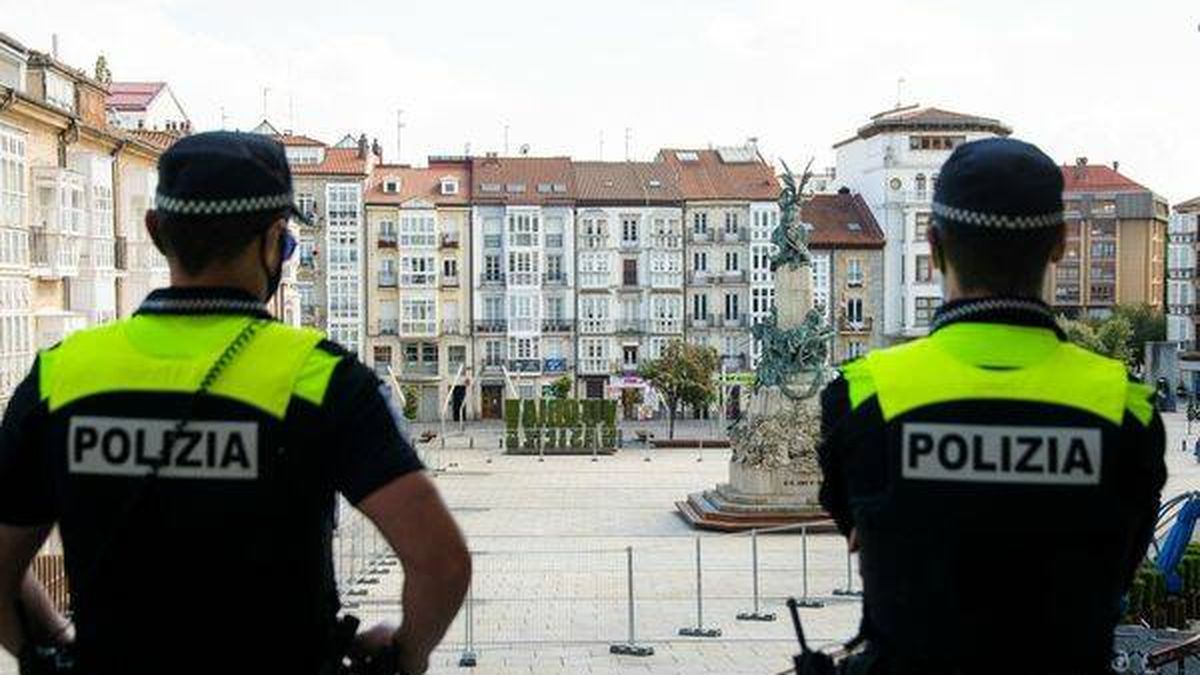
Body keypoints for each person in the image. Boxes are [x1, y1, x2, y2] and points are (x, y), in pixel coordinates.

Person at [0, 132, 470, 675]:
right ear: (274, 240)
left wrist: (55, 647)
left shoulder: (61, 374)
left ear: (156, 232)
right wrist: (403, 656)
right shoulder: (321, 378)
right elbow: (440, 561)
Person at [817, 138, 1166, 673]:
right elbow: (1125, 556)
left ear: (933, 246)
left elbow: (857, 527)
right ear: (1059, 246)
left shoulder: (864, 394)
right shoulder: (1126, 407)